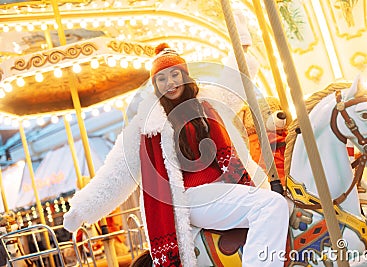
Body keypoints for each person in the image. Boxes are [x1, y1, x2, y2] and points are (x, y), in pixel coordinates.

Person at [63, 43, 289, 267]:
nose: (170, 82)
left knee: (286, 207)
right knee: (270, 205)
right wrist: (81, 210)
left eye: (174, 74)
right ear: (155, 85)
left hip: (222, 188)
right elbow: (116, 172)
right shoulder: (146, 126)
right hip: (189, 197)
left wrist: (242, 50)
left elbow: (233, 87)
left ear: (185, 75)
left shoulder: (206, 102)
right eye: (161, 79)